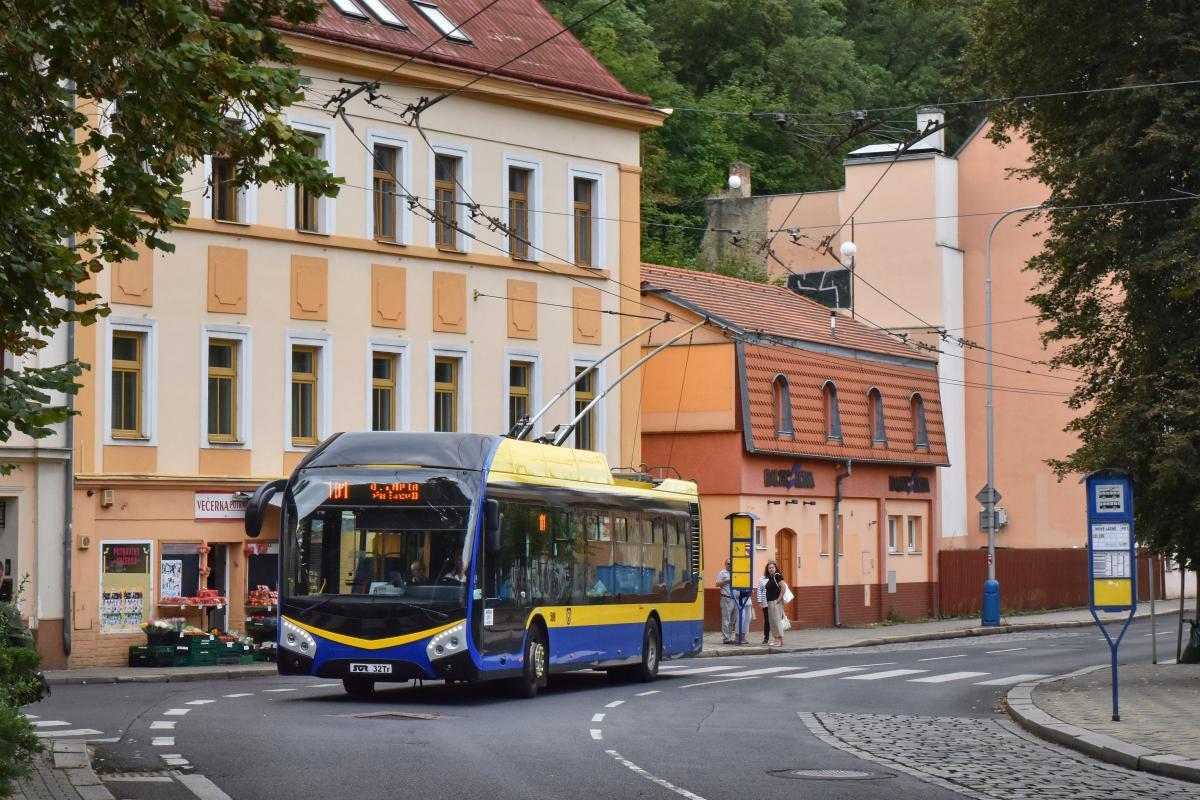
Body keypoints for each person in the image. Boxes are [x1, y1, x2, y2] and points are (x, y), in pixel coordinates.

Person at [756, 560, 789, 647]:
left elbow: (783, 587)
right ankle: (778, 640)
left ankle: (778, 639)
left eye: (772, 567)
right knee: (773, 621)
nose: (771, 569)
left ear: (775, 568)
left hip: (775, 602)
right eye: (769, 568)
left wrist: (778, 599)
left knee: (776, 620)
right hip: (770, 602)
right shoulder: (770, 577)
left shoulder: (777, 576)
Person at [715, 558, 738, 644]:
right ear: (725, 564)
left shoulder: (736, 573)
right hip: (726, 598)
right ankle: (726, 638)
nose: (730, 565)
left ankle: (729, 637)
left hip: (735, 599)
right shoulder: (722, 573)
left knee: (732, 620)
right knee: (726, 620)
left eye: (731, 564)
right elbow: (717, 584)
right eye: (728, 564)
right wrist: (726, 581)